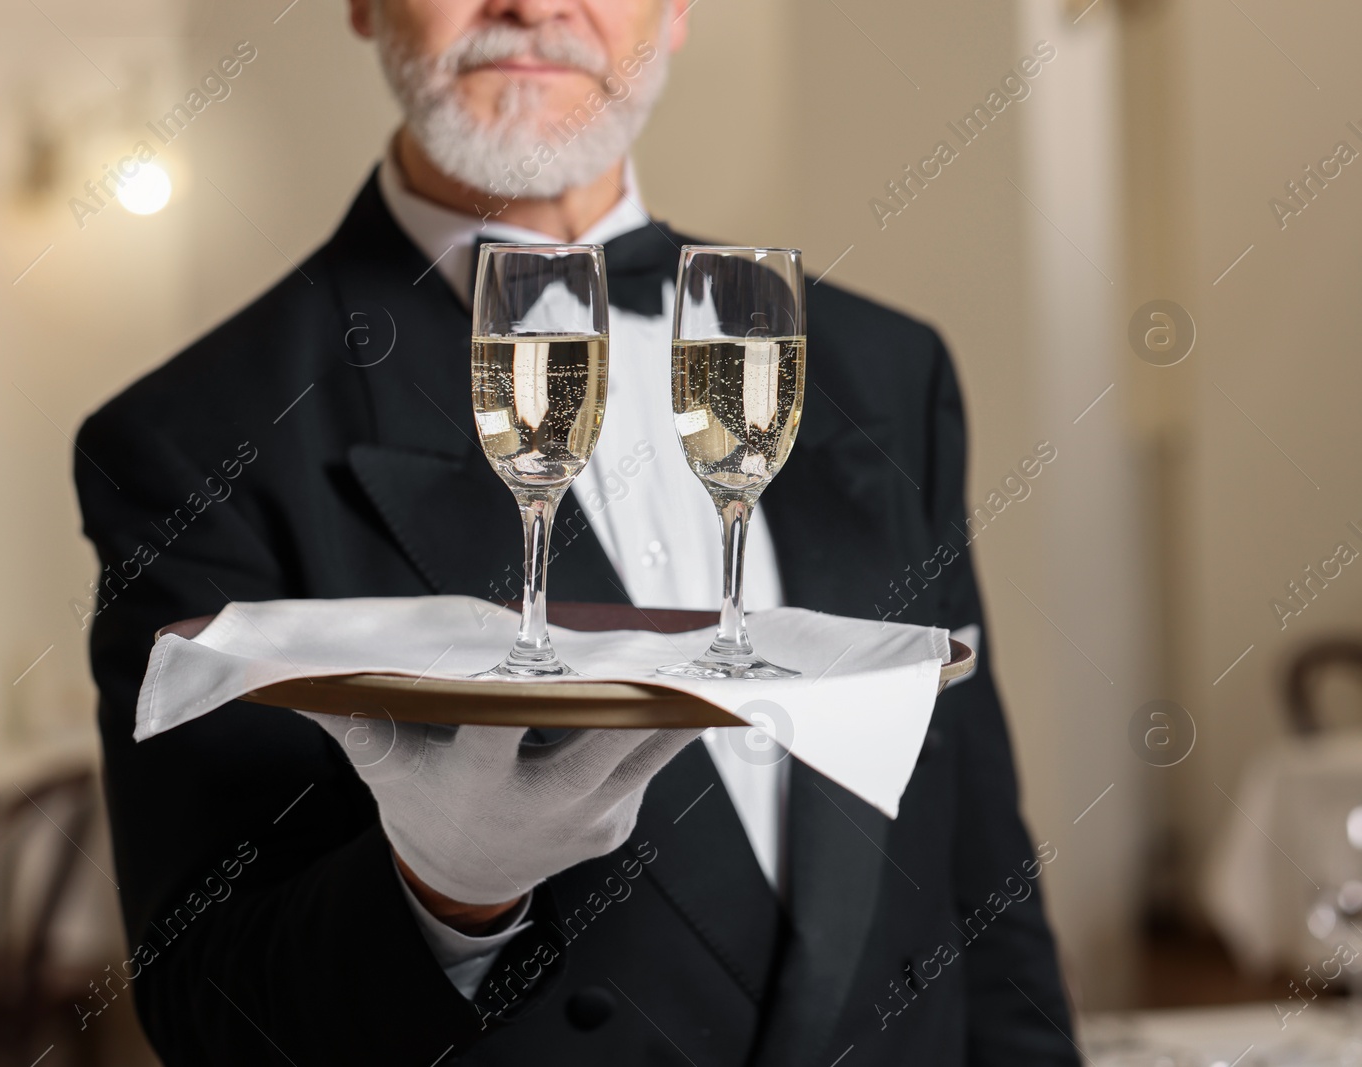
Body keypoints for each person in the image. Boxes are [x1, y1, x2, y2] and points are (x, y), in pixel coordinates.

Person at [73, 0, 1078, 1063]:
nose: (533, 3)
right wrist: (442, 894)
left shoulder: (882, 368)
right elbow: (208, 1003)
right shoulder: (196, 438)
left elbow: (978, 862)